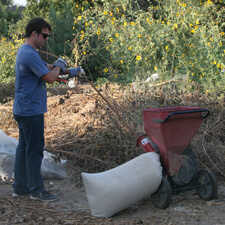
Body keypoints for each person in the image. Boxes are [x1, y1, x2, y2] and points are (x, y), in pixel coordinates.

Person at [12, 17, 85, 202]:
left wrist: (74, 70)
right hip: (31, 111)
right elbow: (51, 78)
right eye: (44, 36)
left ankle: (20, 188)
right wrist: (60, 64)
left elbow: (49, 68)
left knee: (23, 148)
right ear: (34, 33)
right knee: (34, 150)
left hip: (23, 109)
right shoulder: (29, 53)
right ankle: (37, 191)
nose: (46, 39)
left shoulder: (27, 52)